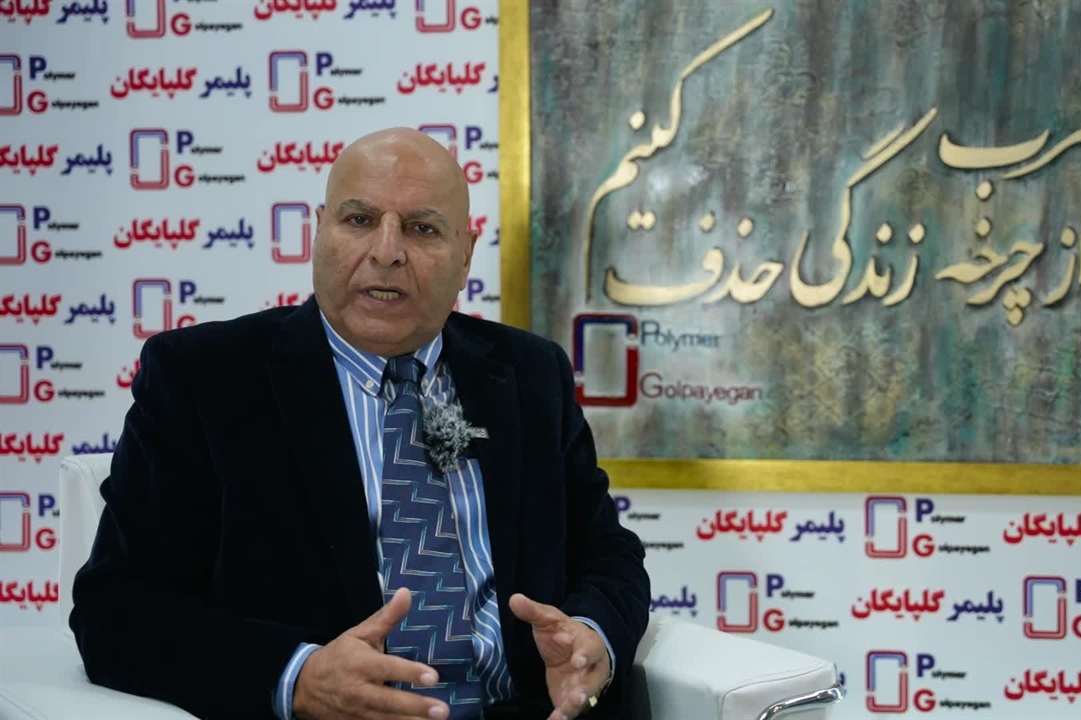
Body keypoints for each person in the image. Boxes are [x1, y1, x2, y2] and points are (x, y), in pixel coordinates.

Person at [69, 127, 651, 720]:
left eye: (422, 229)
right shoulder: (205, 379)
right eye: (359, 220)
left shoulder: (529, 374)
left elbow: (607, 552)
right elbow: (116, 608)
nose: (387, 251)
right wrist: (296, 676)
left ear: (466, 255)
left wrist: (592, 636)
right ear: (319, 232)